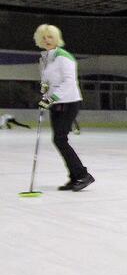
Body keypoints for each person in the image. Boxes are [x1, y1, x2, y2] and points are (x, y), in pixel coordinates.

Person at [35, 24, 94, 191]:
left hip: (69, 101)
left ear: (57, 39)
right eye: (44, 37)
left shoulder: (63, 56)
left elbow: (69, 82)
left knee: (60, 138)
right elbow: (47, 83)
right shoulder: (44, 58)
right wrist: (45, 95)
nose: (47, 40)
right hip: (56, 103)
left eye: (50, 37)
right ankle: (75, 177)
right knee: (59, 139)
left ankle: (82, 175)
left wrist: (51, 98)